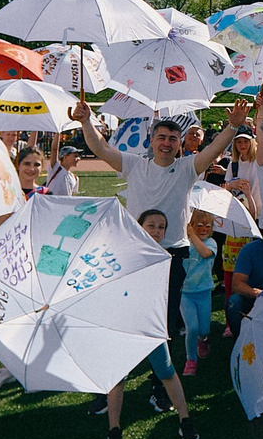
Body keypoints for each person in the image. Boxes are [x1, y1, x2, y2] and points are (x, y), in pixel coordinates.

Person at [76, 97, 241, 350]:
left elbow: (213, 149)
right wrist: (87, 120)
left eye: (173, 139)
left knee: (165, 321)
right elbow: (101, 149)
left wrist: (232, 127)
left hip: (173, 253)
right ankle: (127, 358)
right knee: (131, 311)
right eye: (162, 138)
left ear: (179, 144)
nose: (166, 143)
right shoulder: (134, 165)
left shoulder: (188, 168)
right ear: (152, 141)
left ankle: (160, 380)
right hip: (136, 251)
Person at [103, 208, 200, 439]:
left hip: (151, 325)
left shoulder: (165, 257)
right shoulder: (125, 252)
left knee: (167, 372)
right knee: (118, 377)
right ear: (140, 226)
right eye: (152, 225)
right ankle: (114, 429)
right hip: (125, 324)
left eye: (161, 227)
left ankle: (185, 420)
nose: (157, 231)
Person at [179, 203, 221, 374]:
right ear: (191, 225)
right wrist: (187, 235)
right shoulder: (184, 243)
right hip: (186, 293)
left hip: (203, 292)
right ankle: (191, 360)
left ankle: (203, 339)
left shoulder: (211, 243)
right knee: (192, 328)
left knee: (204, 329)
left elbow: (204, 253)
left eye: (207, 226)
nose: (204, 229)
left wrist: (192, 234)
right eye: (199, 225)